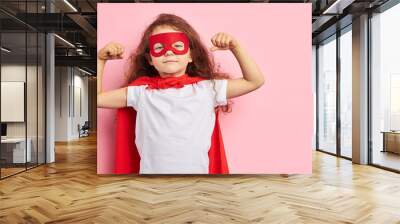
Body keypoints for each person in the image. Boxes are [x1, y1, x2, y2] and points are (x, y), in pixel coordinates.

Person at [97, 13, 264, 174]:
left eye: (177, 46)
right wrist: (100, 60)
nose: (168, 52)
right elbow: (97, 100)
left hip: (196, 181)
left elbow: (254, 81)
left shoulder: (207, 89)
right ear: (150, 59)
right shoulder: (140, 93)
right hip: (151, 183)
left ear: (190, 55)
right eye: (159, 47)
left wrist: (236, 47)